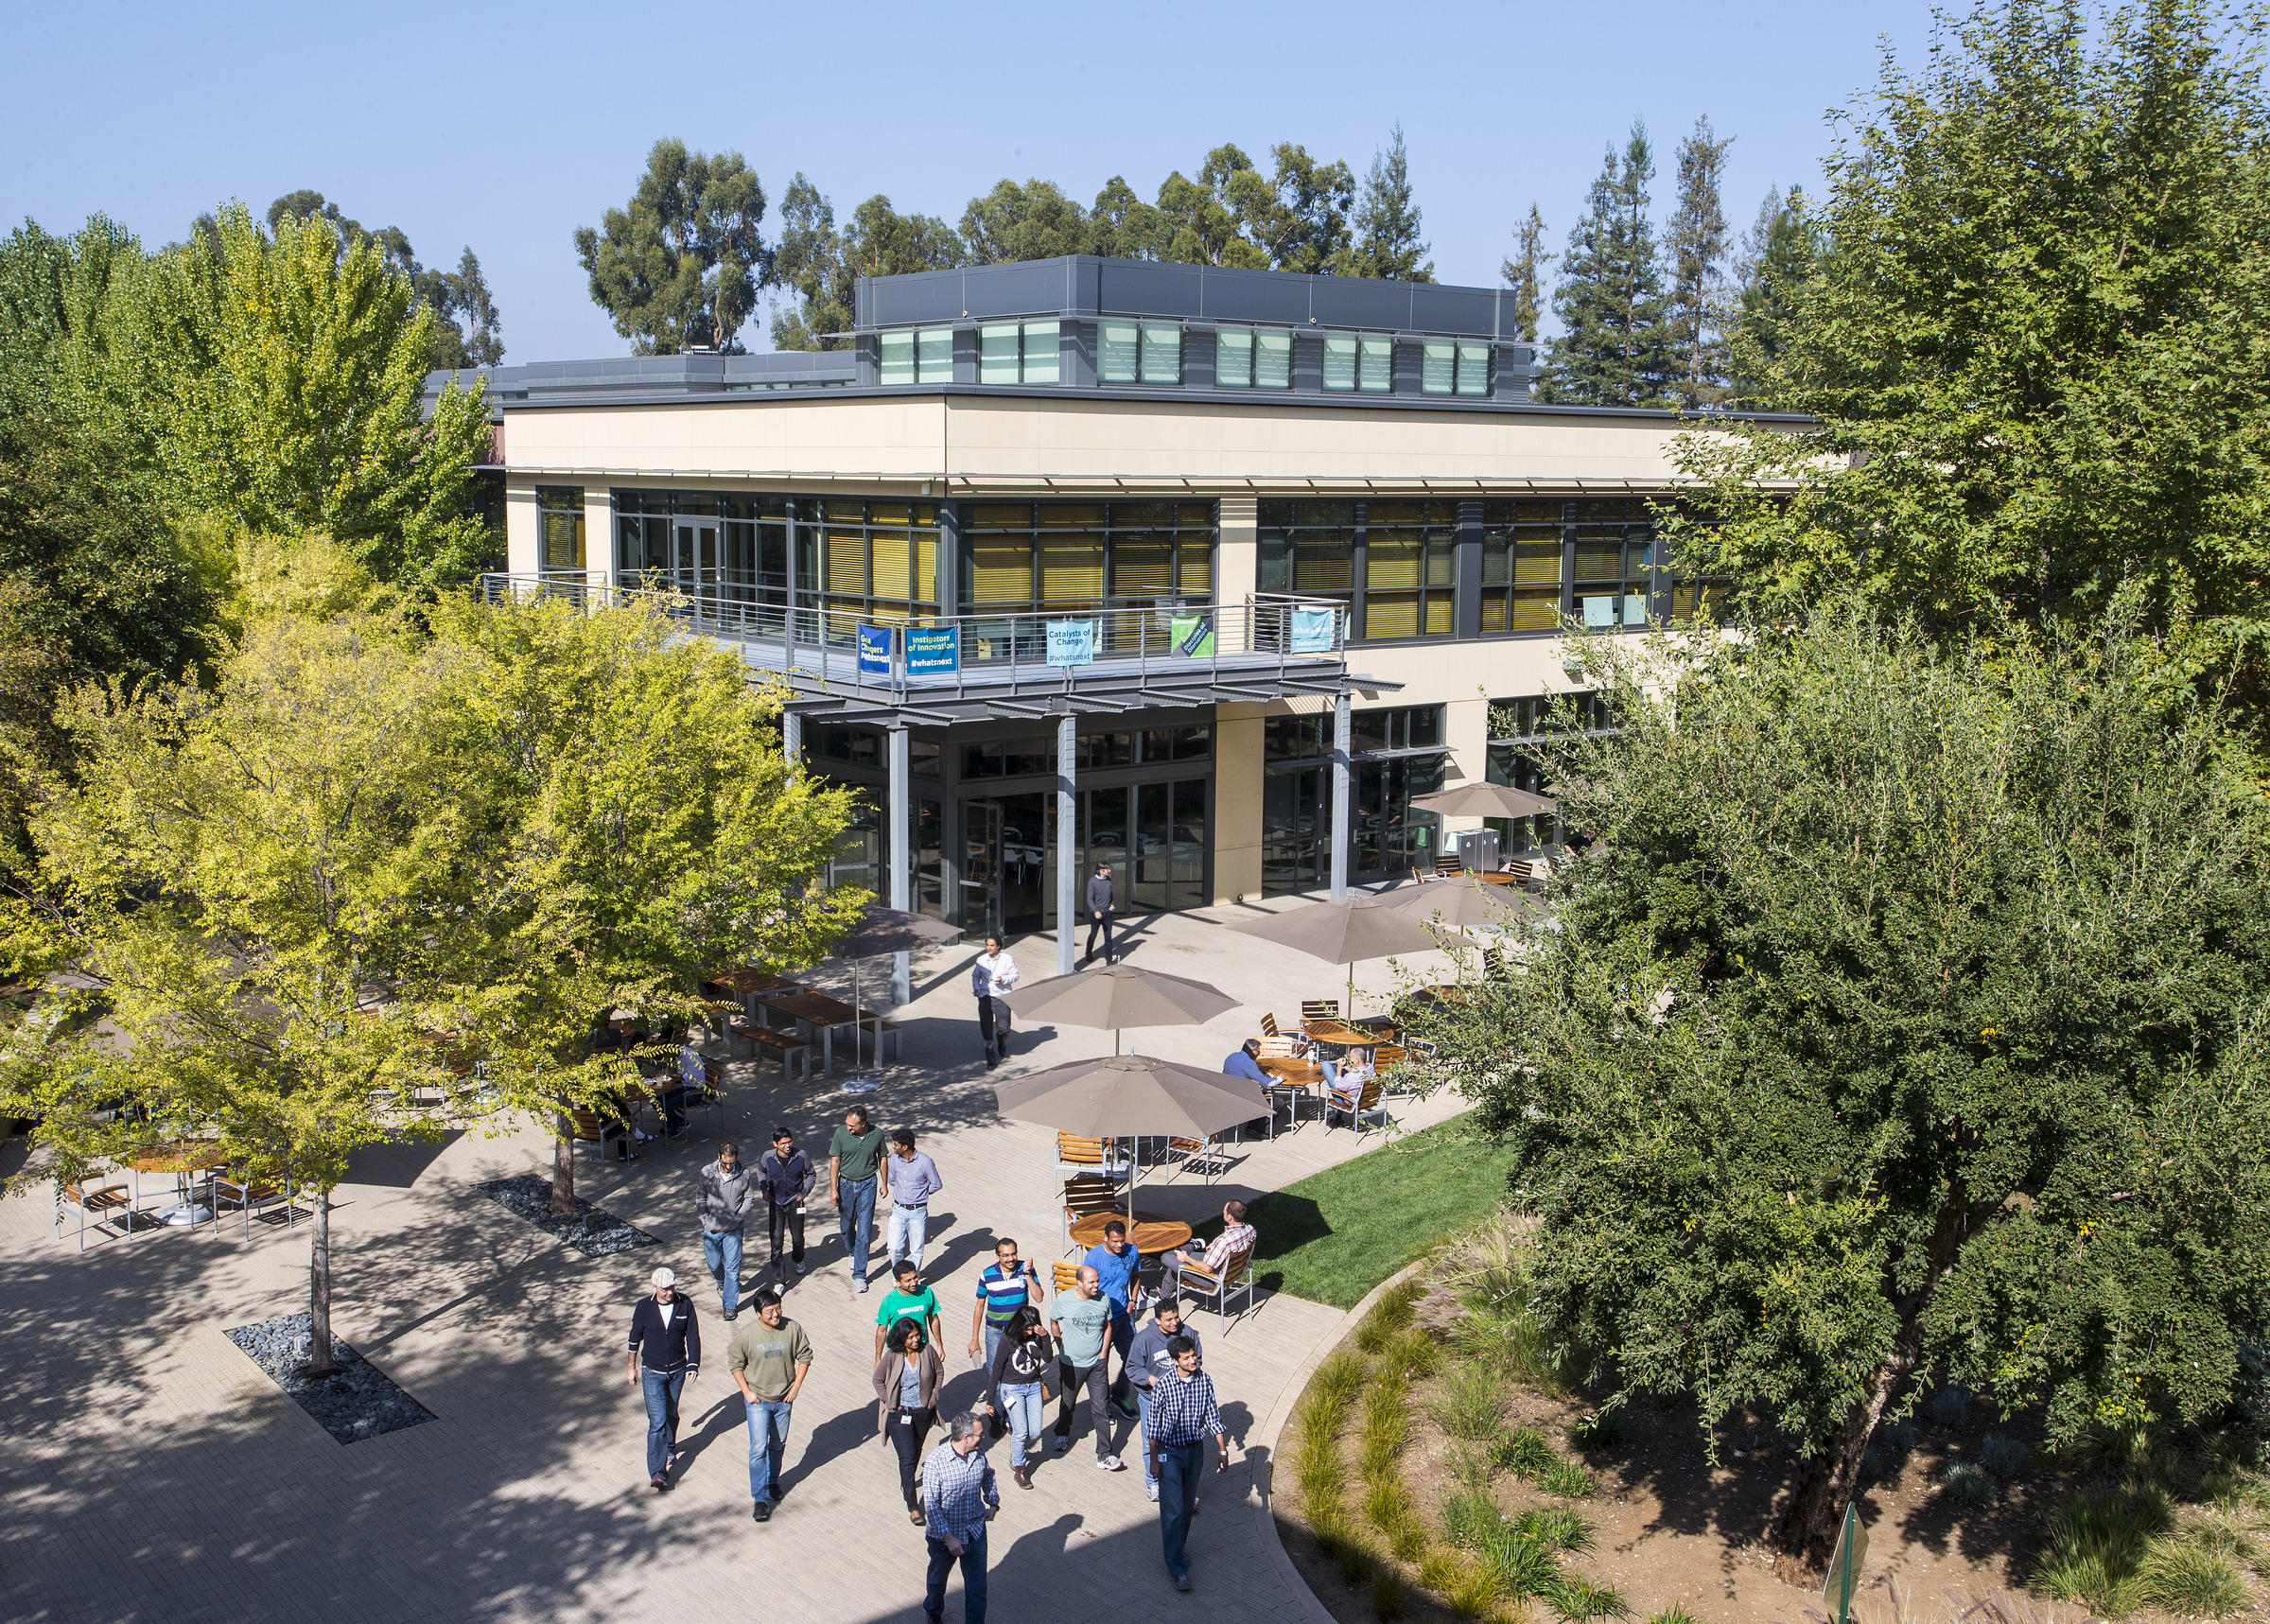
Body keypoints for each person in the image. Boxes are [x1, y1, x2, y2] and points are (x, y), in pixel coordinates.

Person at [1145, 1336, 1229, 1592]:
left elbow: (1212, 1416)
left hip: (1195, 1451)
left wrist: (1223, 1450)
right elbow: (1153, 1424)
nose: (1193, 1360)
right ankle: (1177, 1568)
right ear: (1175, 1362)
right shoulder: (1165, 1385)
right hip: (1169, 1453)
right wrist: (1154, 1459)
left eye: (1194, 1356)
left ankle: (1178, 1549)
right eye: (1187, 1358)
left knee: (1186, 1504)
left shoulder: (1204, 1380)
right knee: (1172, 1511)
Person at [726, 1285, 812, 1522]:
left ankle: (773, 1480)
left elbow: (805, 1356)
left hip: (784, 1399)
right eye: (770, 1311)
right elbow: (735, 1363)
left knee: (778, 1443)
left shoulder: (792, 1328)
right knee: (757, 1449)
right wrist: (747, 1392)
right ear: (758, 1313)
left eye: (778, 1309)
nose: (776, 1315)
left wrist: (796, 1387)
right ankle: (760, 1499)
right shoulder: (747, 1335)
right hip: (758, 1401)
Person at [624, 1266, 700, 1492]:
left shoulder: (684, 1304)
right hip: (652, 1372)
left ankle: (669, 1446)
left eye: (673, 1287)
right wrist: (631, 1367)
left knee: (671, 1413)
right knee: (657, 1422)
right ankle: (658, 1472)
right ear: (654, 1287)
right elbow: (634, 1339)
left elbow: (693, 1336)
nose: (670, 1292)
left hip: (677, 1370)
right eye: (665, 1289)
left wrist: (693, 1364)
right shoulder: (644, 1308)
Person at [922, 1411, 1000, 1624]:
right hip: (943, 1539)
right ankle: (933, 1612)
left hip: (975, 1531)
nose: (983, 1437)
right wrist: (949, 1537)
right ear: (966, 1438)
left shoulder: (978, 1452)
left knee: (977, 1589)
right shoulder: (936, 1462)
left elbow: (988, 1475)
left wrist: (993, 1503)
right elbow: (932, 1505)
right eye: (979, 1434)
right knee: (937, 1581)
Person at [1126, 1298, 1201, 1502]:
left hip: (1182, 1400)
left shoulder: (1188, 1333)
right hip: (1152, 1400)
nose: (1175, 1322)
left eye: (1176, 1317)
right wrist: (1150, 1379)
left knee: (1181, 1443)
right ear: (1157, 1321)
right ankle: (1153, 1482)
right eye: (1169, 1319)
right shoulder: (1143, 1339)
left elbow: (1198, 1359)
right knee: (1152, 1443)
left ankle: (1181, 1487)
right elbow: (1132, 1368)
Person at [1048, 1263, 1124, 1470]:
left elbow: (1108, 1325)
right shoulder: (1064, 1300)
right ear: (1079, 1283)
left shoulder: (1103, 1300)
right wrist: (1060, 1346)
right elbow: (1054, 1321)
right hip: (1071, 1365)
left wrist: (1104, 1352)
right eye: (1092, 1282)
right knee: (1068, 1403)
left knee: (1101, 1407)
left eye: (1097, 1280)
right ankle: (1062, 1433)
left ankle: (1104, 1454)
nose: (1096, 1285)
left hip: (1097, 1364)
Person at [873, 1316, 946, 1524]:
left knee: (916, 1451)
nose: (915, 1340)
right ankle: (913, 1505)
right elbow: (877, 1380)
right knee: (906, 1457)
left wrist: (933, 1399)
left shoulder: (927, 1351)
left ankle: (907, 1482)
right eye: (911, 1337)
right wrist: (890, 1402)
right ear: (901, 1338)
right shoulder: (893, 1356)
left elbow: (939, 1373)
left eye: (917, 1335)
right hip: (899, 1414)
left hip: (923, 1411)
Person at [969, 1236, 1039, 1427]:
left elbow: (1039, 1298)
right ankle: (999, 1415)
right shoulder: (987, 1275)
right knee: (995, 1373)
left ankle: (1010, 1415)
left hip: (1019, 1332)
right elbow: (979, 1306)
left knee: (1015, 1371)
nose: (1011, 1259)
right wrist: (974, 1339)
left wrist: (1028, 1275)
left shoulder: (1026, 1269)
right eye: (1005, 1255)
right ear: (997, 1256)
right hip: (995, 1331)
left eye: (1013, 1254)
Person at [987, 1303, 1055, 1490]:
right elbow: (997, 1371)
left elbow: (1048, 1358)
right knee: (1021, 1431)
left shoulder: (1038, 1337)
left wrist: (1046, 1337)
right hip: (1012, 1389)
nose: (1030, 1332)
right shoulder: (1007, 1340)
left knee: (1034, 1432)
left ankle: (1016, 1455)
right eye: (1027, 1328)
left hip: (1033, 1387)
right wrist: (990, 1400)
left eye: (1033, 1327)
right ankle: (1020, 1469)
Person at [1081, 1219, 1143, 1417]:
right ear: (1105, 1238)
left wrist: (1133, 1299)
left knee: (1134, 1358)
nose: (1118, 1245)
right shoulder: (1094, 1257)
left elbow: (1136, 1275)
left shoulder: (1131, 1251)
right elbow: (1084, 1288)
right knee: (1101, 1363)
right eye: (1114, 1241)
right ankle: (1103, 1402)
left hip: (1123, 1315)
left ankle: (1119, 1393)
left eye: (1121, 1241)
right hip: (1101, 1319)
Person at [695, 1142, 759, 1321]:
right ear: (719, 1157)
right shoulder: (707, 1172)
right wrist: (704, 1218)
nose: (728, 1166)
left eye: (732, 1163)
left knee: (732, 1268)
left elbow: (748, 1198)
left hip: (734, 1230)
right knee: (714, 1265)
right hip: (712, 1228)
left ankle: (729, 1305)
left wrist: (738, 1218)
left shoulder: (744, 1174)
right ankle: (721, 1283)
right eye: (725, 1163)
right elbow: (700, 1196)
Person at [829, 1105, 885, 1294]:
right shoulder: (840, 1134)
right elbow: (835, 1161)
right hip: (845, 1184)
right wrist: (833, 1189)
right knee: (846, 1226)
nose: (848, 1128)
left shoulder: (876, 1134)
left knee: (864, 1230)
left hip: (868, 1184)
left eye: (852, 1126)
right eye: (847, 1124)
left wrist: (884, 1183)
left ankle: (860, 1274)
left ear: (863, 1124)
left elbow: (883, 1158)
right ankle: (852, 1251)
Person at [1161, 1199, 1257, 1303]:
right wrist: (1215, 1247)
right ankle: (1193, 1245)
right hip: (1230, 1273)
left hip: (1211, 1279)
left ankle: (1163, 1298)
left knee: (1167, 1257)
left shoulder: (1223, 1241)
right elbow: (1235, 1242)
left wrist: (1186, 1259)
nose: (1223, 1212)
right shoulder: (1250, 1230)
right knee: (1175, 1256)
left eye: (1224, 1211)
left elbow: (1206, 1268)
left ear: (1230, 1217)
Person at [756, 1126, 813, 1284]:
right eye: (783, 1143)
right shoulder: (768, 1157)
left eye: (789, 1142)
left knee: (797, 1238)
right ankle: (779, 1280)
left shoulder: (801, 1155)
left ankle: (798, 1259)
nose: (787, 1146)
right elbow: (760, 1171)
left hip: (795, 1203)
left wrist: (803, 1193)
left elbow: (811, 1174)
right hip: (776, 1204)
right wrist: (764, 1189)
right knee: (776, 1242)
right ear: (775, 1144)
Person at [885, 1128, 944, 1272]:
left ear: (905, 1147)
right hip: (898, 1209)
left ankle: (913, 1279)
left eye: (896, 1144)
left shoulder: (925, 1162)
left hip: (917, 1212)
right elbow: (892, 1180)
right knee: (893, 1247)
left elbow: (936, 1184)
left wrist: (921, 1193)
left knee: (916, 1249)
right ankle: (899, 1275)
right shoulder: (894, 1159)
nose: (893, 1147)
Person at [875, 1258, 944, 1360]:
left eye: (915, 1277)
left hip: (921, 1351)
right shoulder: (888, 1301)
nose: (913, 1282)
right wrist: (878, 1358)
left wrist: (939, 1345)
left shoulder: (927, 1292)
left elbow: (933, 1319)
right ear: (898, 1282)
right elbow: (881, 1330)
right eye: (908, 1280)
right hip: (898, 1355)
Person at [971, 934, 1019, 1071]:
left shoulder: (1007, 959)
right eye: (987, 945)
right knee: (986, 1029)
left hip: (1002, 997)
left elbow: (1015, 975)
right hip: (985, 996)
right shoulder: (981, 960)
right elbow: (975, 976)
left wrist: (1002, 979)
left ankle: (1001, 1041)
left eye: (992, 945)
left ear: (998, 946)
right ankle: (991, 1060)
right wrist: (976, 988)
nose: (989, 948)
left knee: (1004, 1028)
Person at [1083, 861, 1116, 968]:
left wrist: (1111, 904)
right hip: (1095, 914)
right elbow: (1089, 899)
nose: (1109, 871)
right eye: (1107, 869)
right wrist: (1096, 911)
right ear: (1101, 871)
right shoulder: (1092, 882)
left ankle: (1109, 959)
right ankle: (1088, 953)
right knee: (1093, 934)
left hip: (1107, 913)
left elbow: (1111, 895)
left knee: (1108, 936)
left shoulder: (1108, 880)